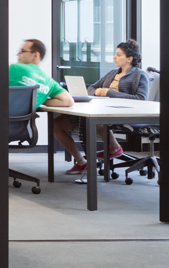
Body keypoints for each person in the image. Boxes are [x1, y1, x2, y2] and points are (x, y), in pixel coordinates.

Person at [51, 39, 150, 175]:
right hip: (98, 109)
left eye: (118, 55)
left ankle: (114, 146)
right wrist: (96, 93)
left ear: (129, 59)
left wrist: (109, 93)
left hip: (121, 113)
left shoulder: (140, 75)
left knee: (97, 121)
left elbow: (141, 99)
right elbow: (92, 87)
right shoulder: (112, 73)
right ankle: (81, 162)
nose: (114, 57)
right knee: (56, 124)